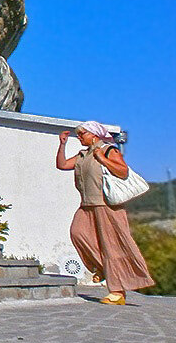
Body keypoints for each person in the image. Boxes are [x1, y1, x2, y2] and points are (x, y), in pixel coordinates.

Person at [55, 121, 154, 304]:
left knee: (112, 247)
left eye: (82, 134)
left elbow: (123, 172)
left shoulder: (109, 150)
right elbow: (62, 165)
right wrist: (62, 145)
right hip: (87, 205)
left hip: (107, 206)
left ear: (94, 135)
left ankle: (117, 293)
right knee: (78, 234)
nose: (79, 137)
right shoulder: (82, 154)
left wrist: (102, 159)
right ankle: (101, 267)